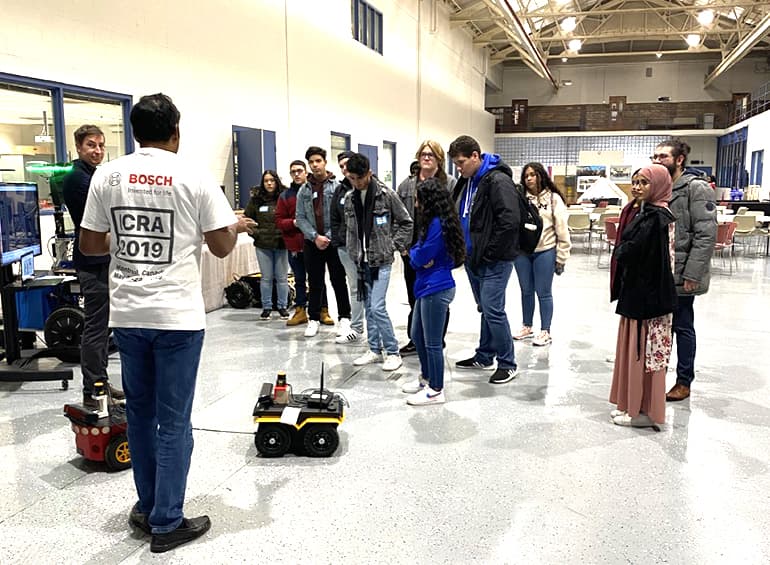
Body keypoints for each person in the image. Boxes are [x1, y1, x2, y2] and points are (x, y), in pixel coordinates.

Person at [79, 93, 256, 553]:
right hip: (176, 318)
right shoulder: (193, 176)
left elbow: (92, 246)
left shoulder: (107, 175)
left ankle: (148, 503)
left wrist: (127, 239)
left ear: (134, 131)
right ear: (176, 131)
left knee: (139, 414)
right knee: (174, 421)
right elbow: (220, 248)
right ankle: (167, 521)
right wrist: (231, 226)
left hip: (128, 314)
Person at [609, 164, 677, 428]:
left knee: (645, 355)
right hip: (641, 296)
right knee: (637, 353)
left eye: (644, 183)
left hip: (648, 302)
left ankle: (643, 411)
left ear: (658, 185)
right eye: (635, 181)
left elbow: (630, 252)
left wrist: (623, 250)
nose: (637, 187)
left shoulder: (656, 218)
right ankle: (633, 405)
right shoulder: (647, 213)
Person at [61, 124, 124, 409]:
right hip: (92, 261)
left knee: (104, 325)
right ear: (78, 148)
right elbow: (101, 219)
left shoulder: (95, 175)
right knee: (96, 326)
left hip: (105, 258)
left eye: (100, 145)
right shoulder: (78, 178)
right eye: (91, 145)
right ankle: (92, 388)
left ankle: (101, 381)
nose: (97, 150)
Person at [448, 135, 520, 385]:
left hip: (494, 260)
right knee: (485, 310)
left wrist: (489, 253)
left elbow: (510, 221)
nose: (458, 168)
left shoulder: (498, 180)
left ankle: (508, 363)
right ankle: (485, 355)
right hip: (472, 259)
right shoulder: (466, 182)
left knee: (493, 309)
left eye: (461, 162)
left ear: (475, 156)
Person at [652, 138, 717, 401]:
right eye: (654, 157)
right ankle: (656, 377)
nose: (657, 161)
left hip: (682, 273)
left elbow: (705, 235)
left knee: (682, 326)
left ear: (679, 160)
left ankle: (684, 381)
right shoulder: (657, 188)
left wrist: (692, 274)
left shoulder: (696, 188)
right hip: (658, 271)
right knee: (658, 327)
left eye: (663, 157)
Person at [344, 153, 412, 372]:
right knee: (369, 307)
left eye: (359, 178)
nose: (355, 182)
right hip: (361, 260)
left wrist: (392, 244)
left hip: (381, 260)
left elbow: (406, 223)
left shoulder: (386, 194)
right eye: (351, 178)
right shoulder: (349, 198)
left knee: (378, 306)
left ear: (369, 173)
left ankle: (393, 351)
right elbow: (349, 229)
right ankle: (374, 349)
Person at [401, 177, 465, 405]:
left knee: (432, 342)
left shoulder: (438, 224)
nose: (416, 204)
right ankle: (426, 378)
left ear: (428, 201)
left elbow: (419, 256)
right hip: (425, 286)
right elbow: (416, 251)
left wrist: (416, 255)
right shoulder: (431, 223)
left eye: (418, 200)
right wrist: (416, 254)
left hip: (436, 288)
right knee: (417, 335)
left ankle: (436, 389)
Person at [396, 140, 456, 356]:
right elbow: (397, 217)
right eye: (423, 153)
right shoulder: (406, 186)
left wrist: (443, 252)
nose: (427, 157)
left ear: (439, 158)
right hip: (412, 250)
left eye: (431, 154)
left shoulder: (449, 184)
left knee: (438, 296)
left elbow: (453, 220)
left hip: (438, 251)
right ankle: (416, 339)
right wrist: (403, 248)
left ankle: (436, 339)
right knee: (414, 295)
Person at [512, 162, 571, 346]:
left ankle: (545, 330)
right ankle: (527, 326)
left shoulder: (553, 199)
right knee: (526, 290)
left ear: (541, 176)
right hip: (522, 252)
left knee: (543, 292)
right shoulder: (520, 198)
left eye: (533, 174)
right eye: (526, 175)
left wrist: (561, 257)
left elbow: (562, 230)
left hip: (545, 250)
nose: (529, 178)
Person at [295, 146, 351, 337]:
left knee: (338, 279)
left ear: (325, 162)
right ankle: (314, 318)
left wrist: (327, 236)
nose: (315, 165)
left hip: (333, 242)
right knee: (315, 281)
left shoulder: (336, 187)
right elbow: (300, 217)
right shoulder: (304, 190)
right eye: (311, 162)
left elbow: (341, 216)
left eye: (318, 161)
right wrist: (314, 236)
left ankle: (345, 317)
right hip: (312, 242)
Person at [244, 170, 289, 320]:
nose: (269, 183)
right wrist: (256, 233)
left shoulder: (284, 197)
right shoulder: (256, 200)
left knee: (282, 278)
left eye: (272, 180)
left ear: (277, 182)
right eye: (266, 181)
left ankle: (282, 306)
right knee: (266, 278)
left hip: (281, 244)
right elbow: (247, 220)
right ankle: (267, 307)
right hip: (263, 245)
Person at [331, 151, 365, 343]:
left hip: (367, 247)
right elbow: (334, 218)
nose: (344, 169)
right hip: (345, 247)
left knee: (371, 291)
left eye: (347, 165)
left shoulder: (371, 188)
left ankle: (376, 333)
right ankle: (357, 327)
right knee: (355, 288)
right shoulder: (340, 190)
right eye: (341, 166)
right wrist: (338, 240)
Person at [276, 160, 310, 325]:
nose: (296, 174)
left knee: (317, 280)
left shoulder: (314, 191)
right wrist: (294, 223)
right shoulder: (285, 196)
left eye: (299, 171)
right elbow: (279, 221)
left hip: (314, 243)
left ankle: (322, 310)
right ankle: (301, 310)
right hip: (295, 246)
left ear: (305, 172)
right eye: (293, 172)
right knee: (299, 280)